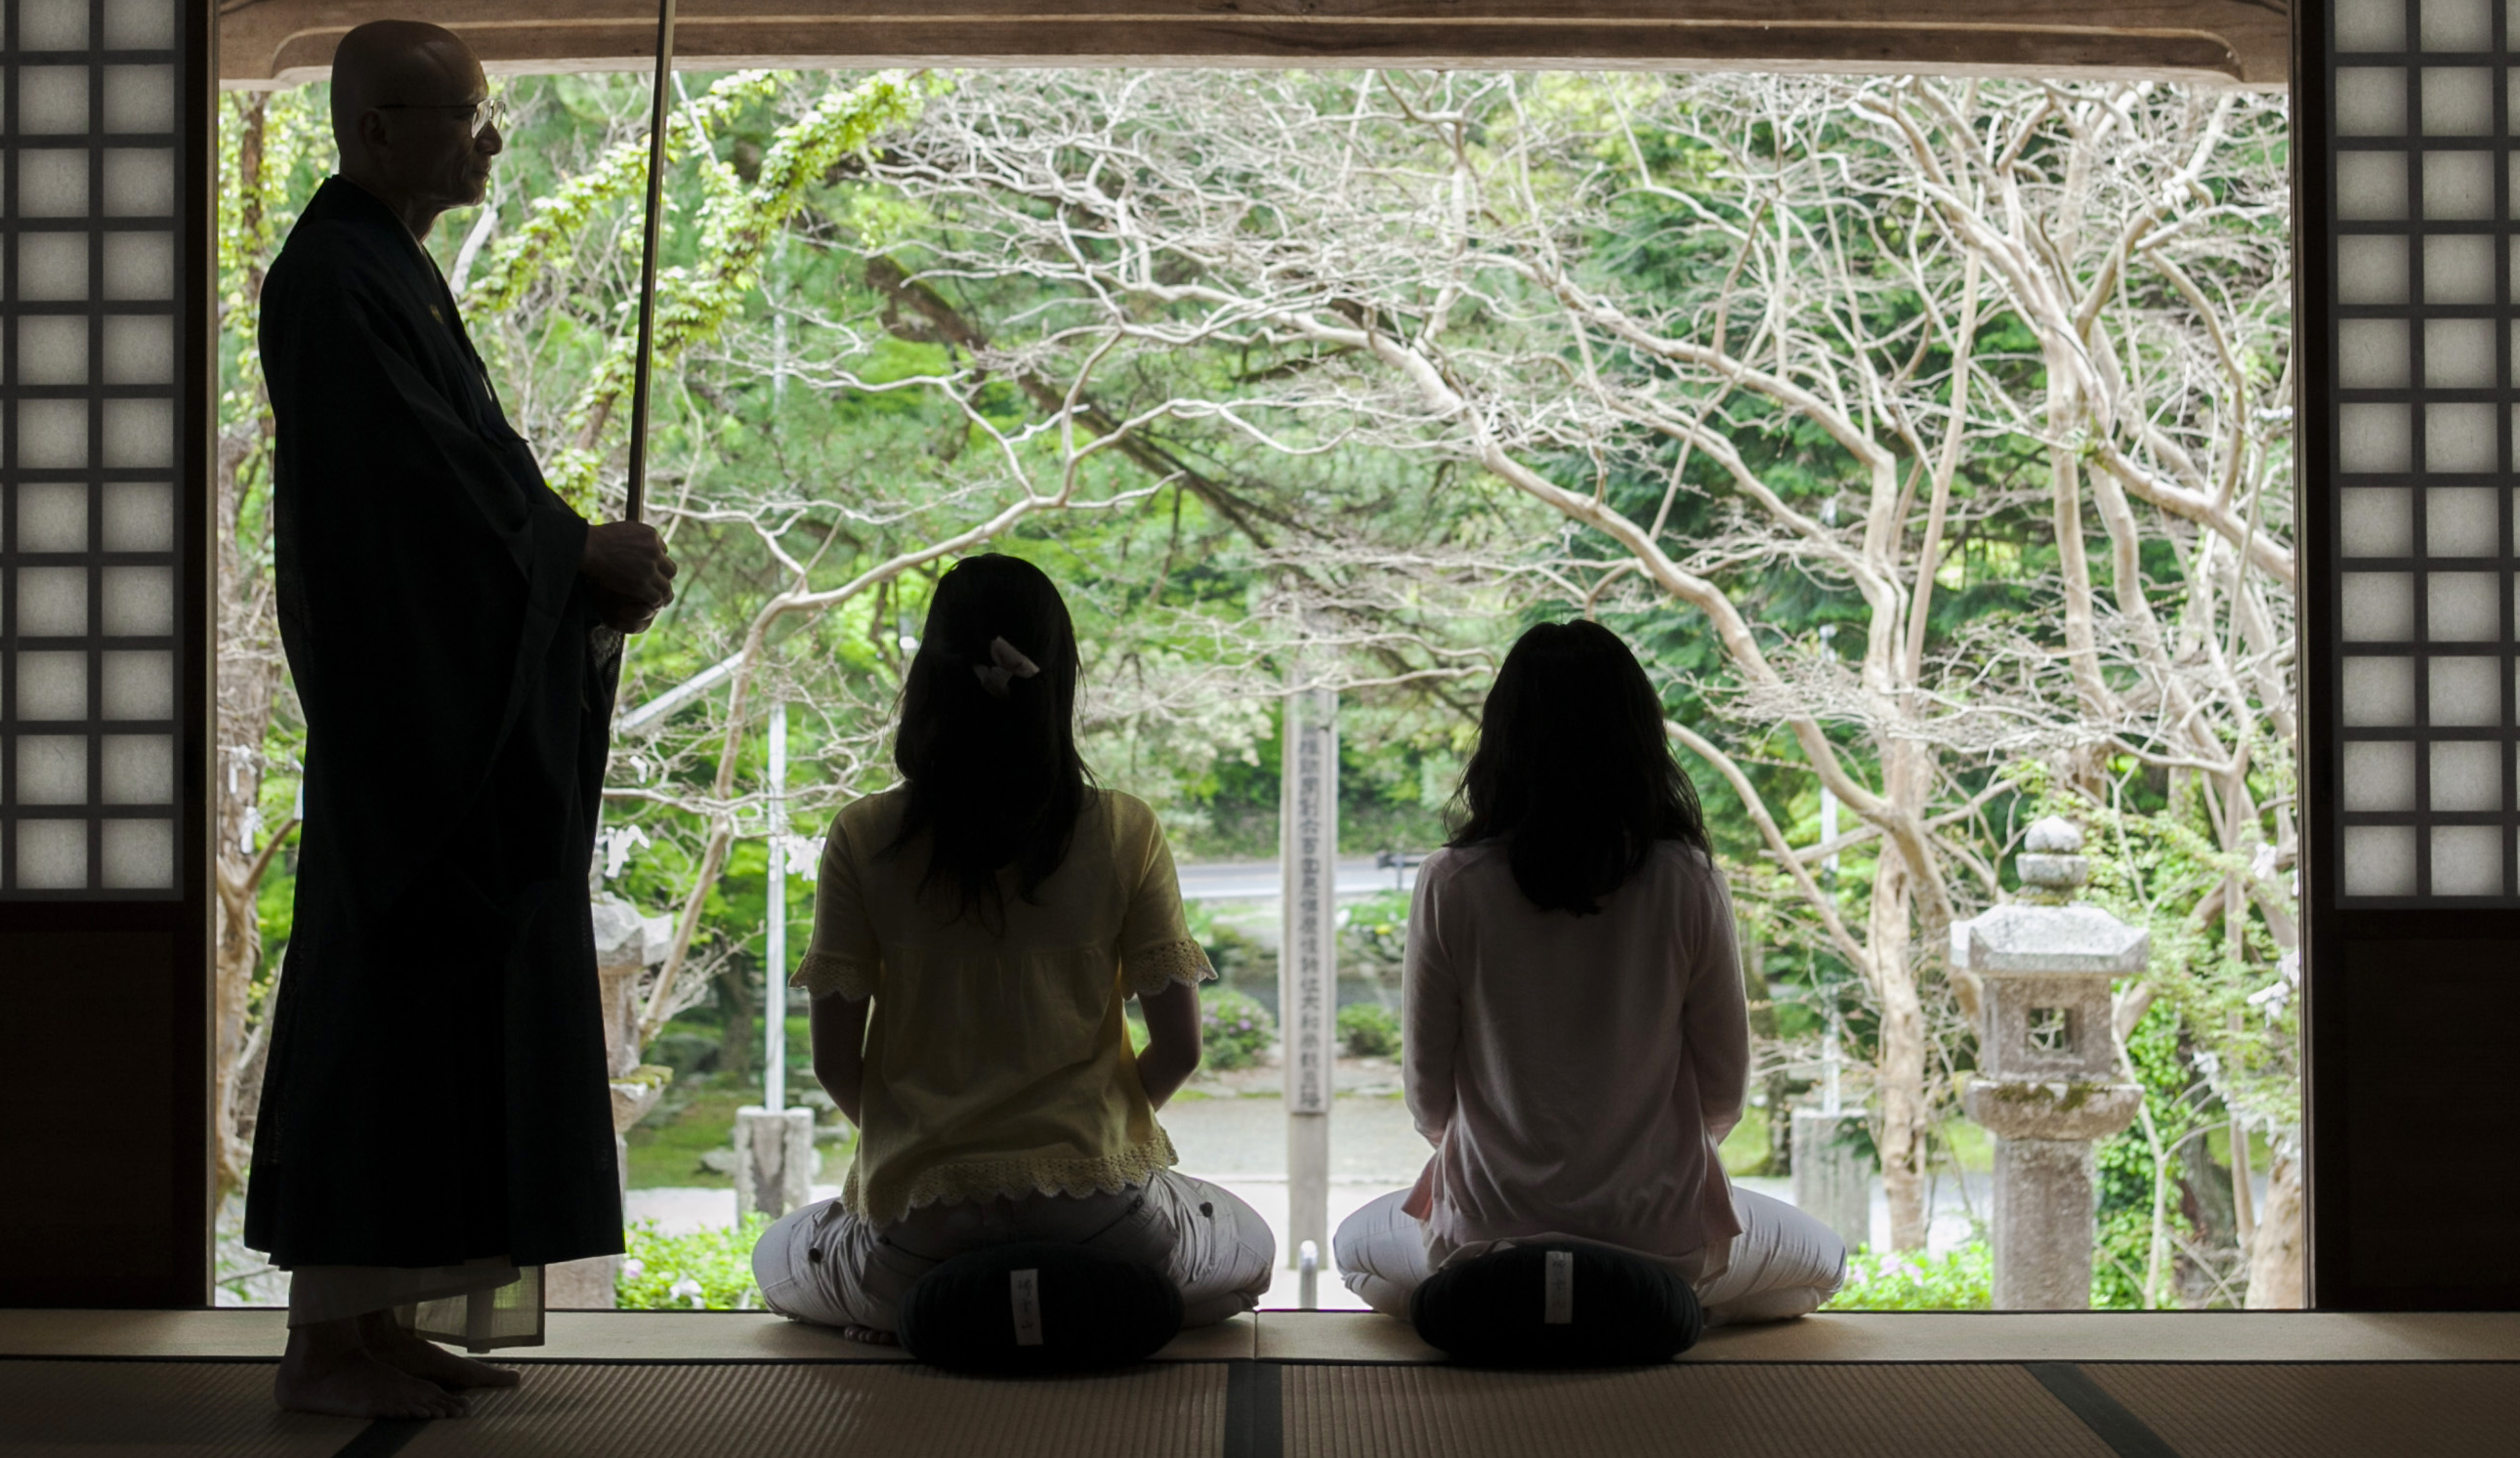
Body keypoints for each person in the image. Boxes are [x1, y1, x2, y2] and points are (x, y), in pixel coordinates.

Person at [244, 20, 680, 1419]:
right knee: (387, 1019)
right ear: (379, 129)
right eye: (467, 114)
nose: (492, 139)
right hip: (404, 732)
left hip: (434, 729)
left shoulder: (389, 273)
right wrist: (571, 559)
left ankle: (376, 1325)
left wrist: (566, 560)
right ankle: (325, 1345)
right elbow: (418, 509)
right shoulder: (333, 279)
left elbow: (466, 485)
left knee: (431, 1027)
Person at [755, 554, 1275, 1340]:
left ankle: (939, 1317)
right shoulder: (1125, 829)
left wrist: (927, 1151)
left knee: (781, 1256)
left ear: (929, 675)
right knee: (1245, 1244)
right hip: (1100, 1223)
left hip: (918, 1236)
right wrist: (1093, 1155)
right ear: (1059, 675)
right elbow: (1180, 1048)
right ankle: (1080, 1306)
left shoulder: (863, 837)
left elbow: (835, 1063)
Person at [1334, 620, 1843, 1329]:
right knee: (1824, 1267)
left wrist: (1513, 1172)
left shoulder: (1451, 882)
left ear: (1502, 738)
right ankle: (1669, 1311)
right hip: (1659, 1243)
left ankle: (1477, 1310)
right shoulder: (1687, 880)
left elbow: (1427, 1098)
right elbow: (1724, 1091)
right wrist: (1634, 1170)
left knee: (1354, 1248)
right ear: (1639, 738)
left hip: (1485, 1242)